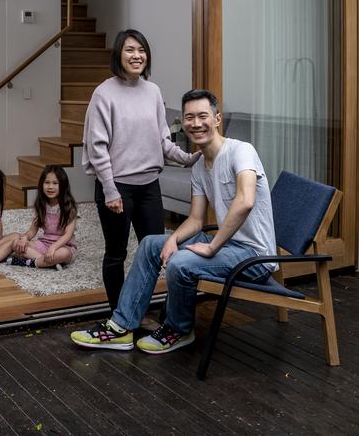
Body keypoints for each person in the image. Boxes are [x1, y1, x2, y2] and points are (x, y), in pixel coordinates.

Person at [70, 89, 277, 353]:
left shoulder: (241, 151)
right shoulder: (200, 167)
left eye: (203, 115)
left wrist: (211, 248)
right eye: (189, 117)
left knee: (181, 262)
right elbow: (195, 219)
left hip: (253, 256)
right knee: (149, 244)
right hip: (225, 246)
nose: (195, 123)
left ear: (217, 119)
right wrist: (172, 239)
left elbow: (246, 201)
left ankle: (178, 329)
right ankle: (121, 328)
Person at [82, 29, 200, 312]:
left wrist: (187, 158)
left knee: (158, 252)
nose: (137, 56)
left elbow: (162, 139)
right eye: (130, 50)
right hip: (117, 188)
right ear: (118, 55)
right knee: (116, 253)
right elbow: (97, 146)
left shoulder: (153, 91)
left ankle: (145, 309)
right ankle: (119, 316)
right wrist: (110, 190)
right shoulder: (104, 93)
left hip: (149, 186)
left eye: (142, 50)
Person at [6, 165, 78, 269]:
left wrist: (53, 247)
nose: (50, 187)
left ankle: (32, 262)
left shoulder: (69, 208)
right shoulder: (40, 205)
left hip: (62, 246)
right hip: (44, 244)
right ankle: (49, 263)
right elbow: (33, 230)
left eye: (55, 183)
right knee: (16, 244)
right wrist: (25, 238)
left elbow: (68, 235)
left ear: (63, 185)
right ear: (41, 184)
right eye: (47, 182)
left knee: (64, 254)